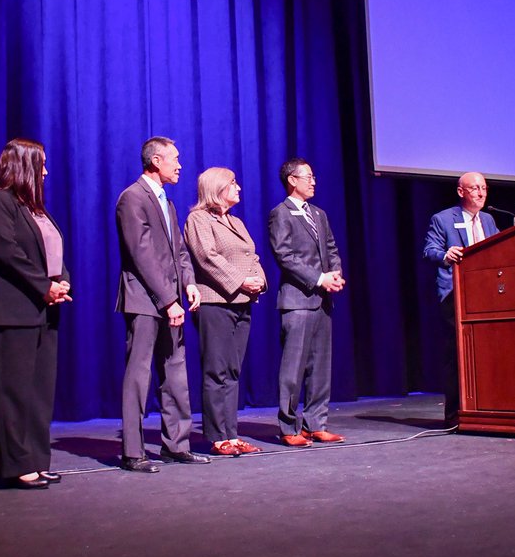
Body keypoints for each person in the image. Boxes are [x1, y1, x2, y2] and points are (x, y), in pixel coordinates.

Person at [0, 138, 73, 490]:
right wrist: (42, 285)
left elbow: (53, 252)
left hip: (43, 311)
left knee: (38, 393)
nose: (46, 171)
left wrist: (61, 282)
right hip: (11, 312)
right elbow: (8, 253)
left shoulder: (35, 209)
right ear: (24, 166)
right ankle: (15, 464)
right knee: (12, 392)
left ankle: (36, 459)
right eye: (41, 164)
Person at [114, 137, 209, 472]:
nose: (180, 165)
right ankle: (132, 451)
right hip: (144, 301)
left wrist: (189, 284)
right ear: (156, 160)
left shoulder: (167, 203)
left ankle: (176, 445)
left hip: (173, 301)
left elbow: (179, 252)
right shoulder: (132, 199)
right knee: (138, 376)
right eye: (175, 159)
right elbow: (142, 256)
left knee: (175, 374)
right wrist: (168, 299)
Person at [422, 171, 515, 425]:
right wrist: (446, 254)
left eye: (483, 188)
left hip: (488, 296)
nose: (480, 193)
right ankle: (455, 415)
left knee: (489, 354)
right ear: (461, 192)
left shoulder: (489, 220)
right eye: (474, 188)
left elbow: (498, 252)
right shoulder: (443, 219)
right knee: (457, 355)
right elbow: (429, 250)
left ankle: (489, 408)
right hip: (455, 295)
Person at [184, 167, 268, 457]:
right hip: (216, 303)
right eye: (233, 183)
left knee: (232, 370)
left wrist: (259, 281)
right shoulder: (198, 219)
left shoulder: (235, 222)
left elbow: (252, 256)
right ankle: (218, 436)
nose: (239, 188)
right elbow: (207, 257)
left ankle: (231, 433)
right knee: (217, 370)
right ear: (216, 188)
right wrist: (241, 281)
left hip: (241, 301)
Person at [267, 158, 346, 447]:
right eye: (308, 176)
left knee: (321, 367)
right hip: (298, 300)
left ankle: (316, 424)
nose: (314, 181)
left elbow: (331, 248)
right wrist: (318, 278)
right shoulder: (281, 213)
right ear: (292, 180)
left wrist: (334, 275)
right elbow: (284, 256)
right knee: (293, 368)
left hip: (322, 300)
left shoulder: (319, 214)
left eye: (314, 176)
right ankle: (288, 427)